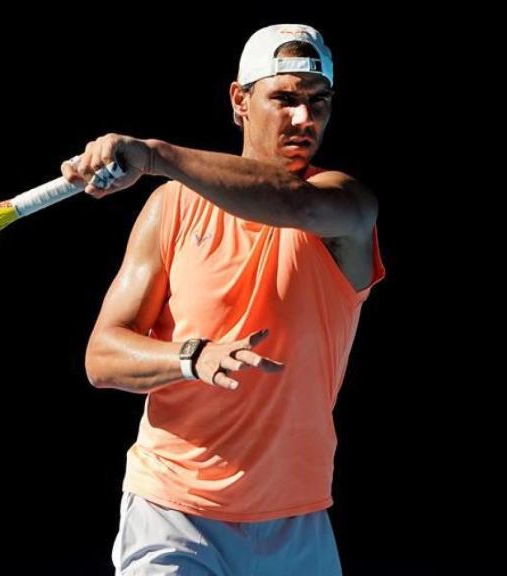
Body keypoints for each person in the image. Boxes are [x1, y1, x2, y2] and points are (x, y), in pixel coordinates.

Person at [63, 23, 385, 575]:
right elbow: (102, 357)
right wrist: (190, 356)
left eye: (319, 104)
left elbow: (296, 203)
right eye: (284, 99)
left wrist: (154, 154)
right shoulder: (172, 208)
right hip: (173, 513)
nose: (304, 120)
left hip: (296, 519)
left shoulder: (346, 207)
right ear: (240, 100)